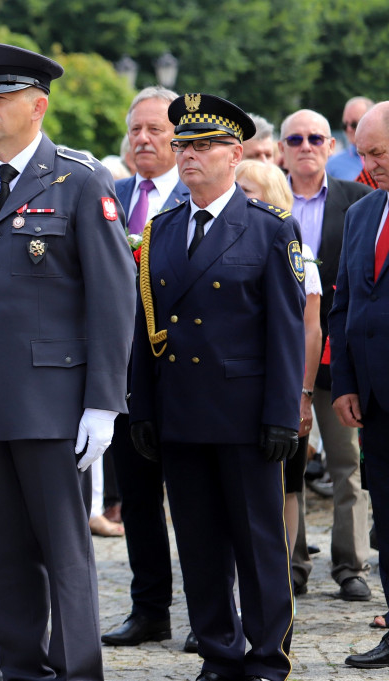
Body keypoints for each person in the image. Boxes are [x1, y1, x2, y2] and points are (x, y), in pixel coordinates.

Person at [0, 43, 135, 681]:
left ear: (37, 106)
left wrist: (104, 401)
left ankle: (76, 671)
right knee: (2, 552)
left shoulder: (79, 180)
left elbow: (113, 295)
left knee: (64, 553)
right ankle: (22, 668)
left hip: (52, 402)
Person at [130, 93, 304, 681]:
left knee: (257, 543)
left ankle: (265, 654)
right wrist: (144, 408)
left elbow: (286, 331)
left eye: (203, 146)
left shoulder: (269, 229)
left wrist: (284, 412)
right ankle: (217, 651)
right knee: (200, 545)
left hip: (245, 413)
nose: (188, 156)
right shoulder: (161, 231)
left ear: (236, 154)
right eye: (183, 145)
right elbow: (144, 330)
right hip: (182, 411)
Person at [103, 85, 194, 650]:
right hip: (124, 373)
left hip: (187, 373)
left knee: (194, 499)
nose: (142, 139)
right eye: (135, 129)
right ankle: (149, 608)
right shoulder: (108, 194)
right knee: (136, 499)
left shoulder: (200, 191)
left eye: (155, 129)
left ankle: (209, 611)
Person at [279, 108, 374, 600]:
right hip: (283, 355)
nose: (306, 145)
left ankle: (350, 565)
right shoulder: (267, 199)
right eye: (295, 138)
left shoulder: (358, 200)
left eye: (316, 137)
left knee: (345, 465)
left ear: (332, 145)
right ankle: (292, 563)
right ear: (282, 148)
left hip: (340, 355)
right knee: (287, 464)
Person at [236, 159, 323, 602]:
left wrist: (302, 395)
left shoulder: (295, 250)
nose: (241, 198)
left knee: (287, 485)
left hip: (282, 390)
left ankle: (281, 577)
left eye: (249, 191)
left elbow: (309, 329)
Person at [333, 101, 389, 670]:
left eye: (380, 154)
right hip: (374, 399)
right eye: (365, 153)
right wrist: (345, 382)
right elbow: (345, 303)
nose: (369, 165)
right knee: (388, 520)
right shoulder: (362, 212)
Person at [327, 97, 374, 180]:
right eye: (344, 125)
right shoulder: (332, 164)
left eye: (354, 124)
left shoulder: (384, 157)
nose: (349, 129)